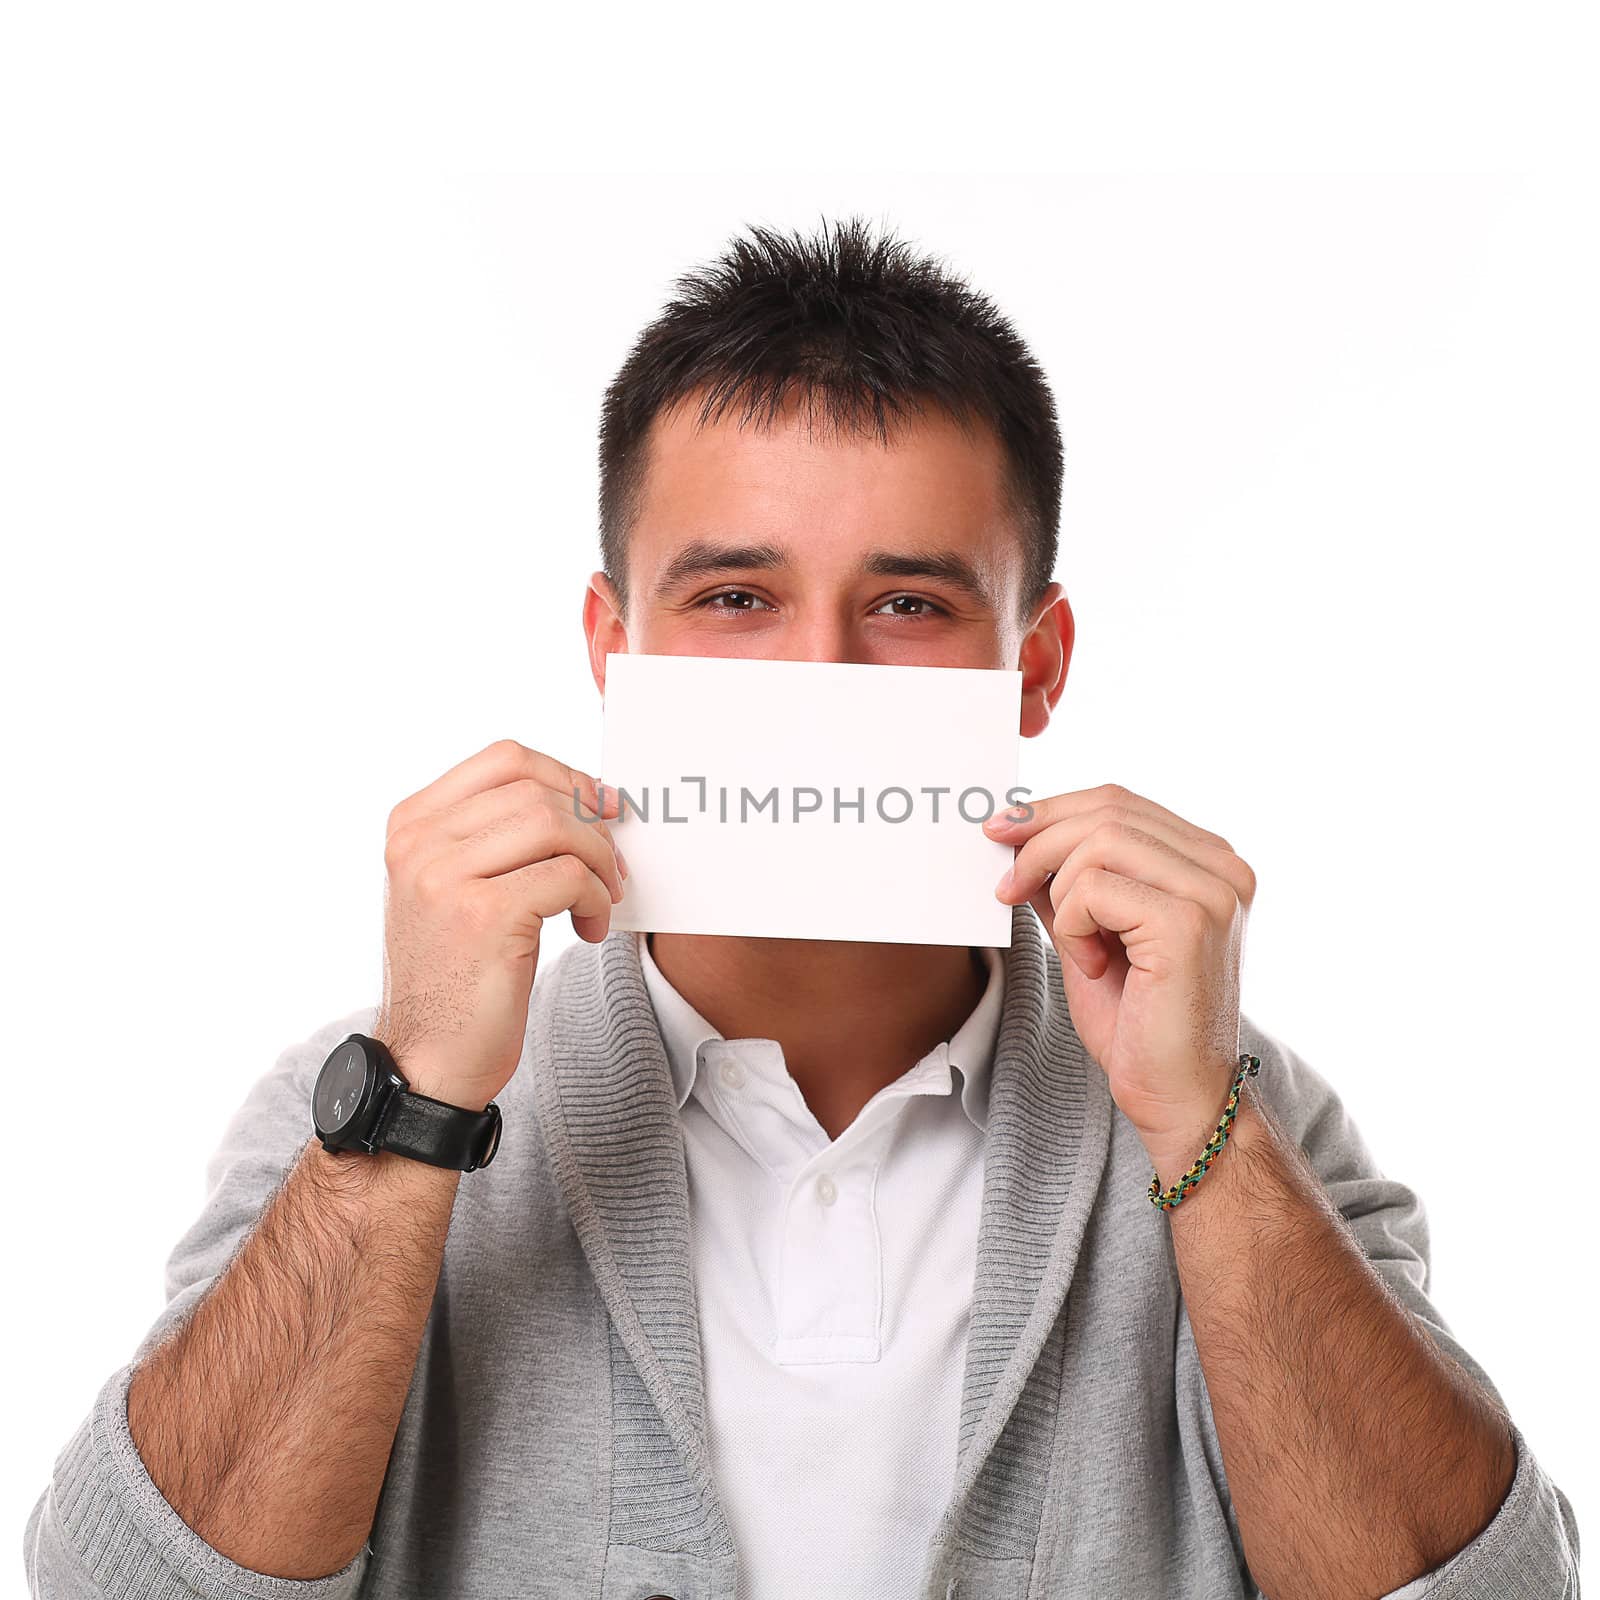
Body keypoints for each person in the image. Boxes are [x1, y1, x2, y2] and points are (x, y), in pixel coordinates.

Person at [23, 216, 1580, 1600]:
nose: (821, 674)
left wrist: (1202, 1131)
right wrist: (419, 1103)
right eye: (734, 598)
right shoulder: (367, 1100)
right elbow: (118, 1586)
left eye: (908, 604)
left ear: (1032, 666)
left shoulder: (1245, 1119)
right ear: (609, 643)